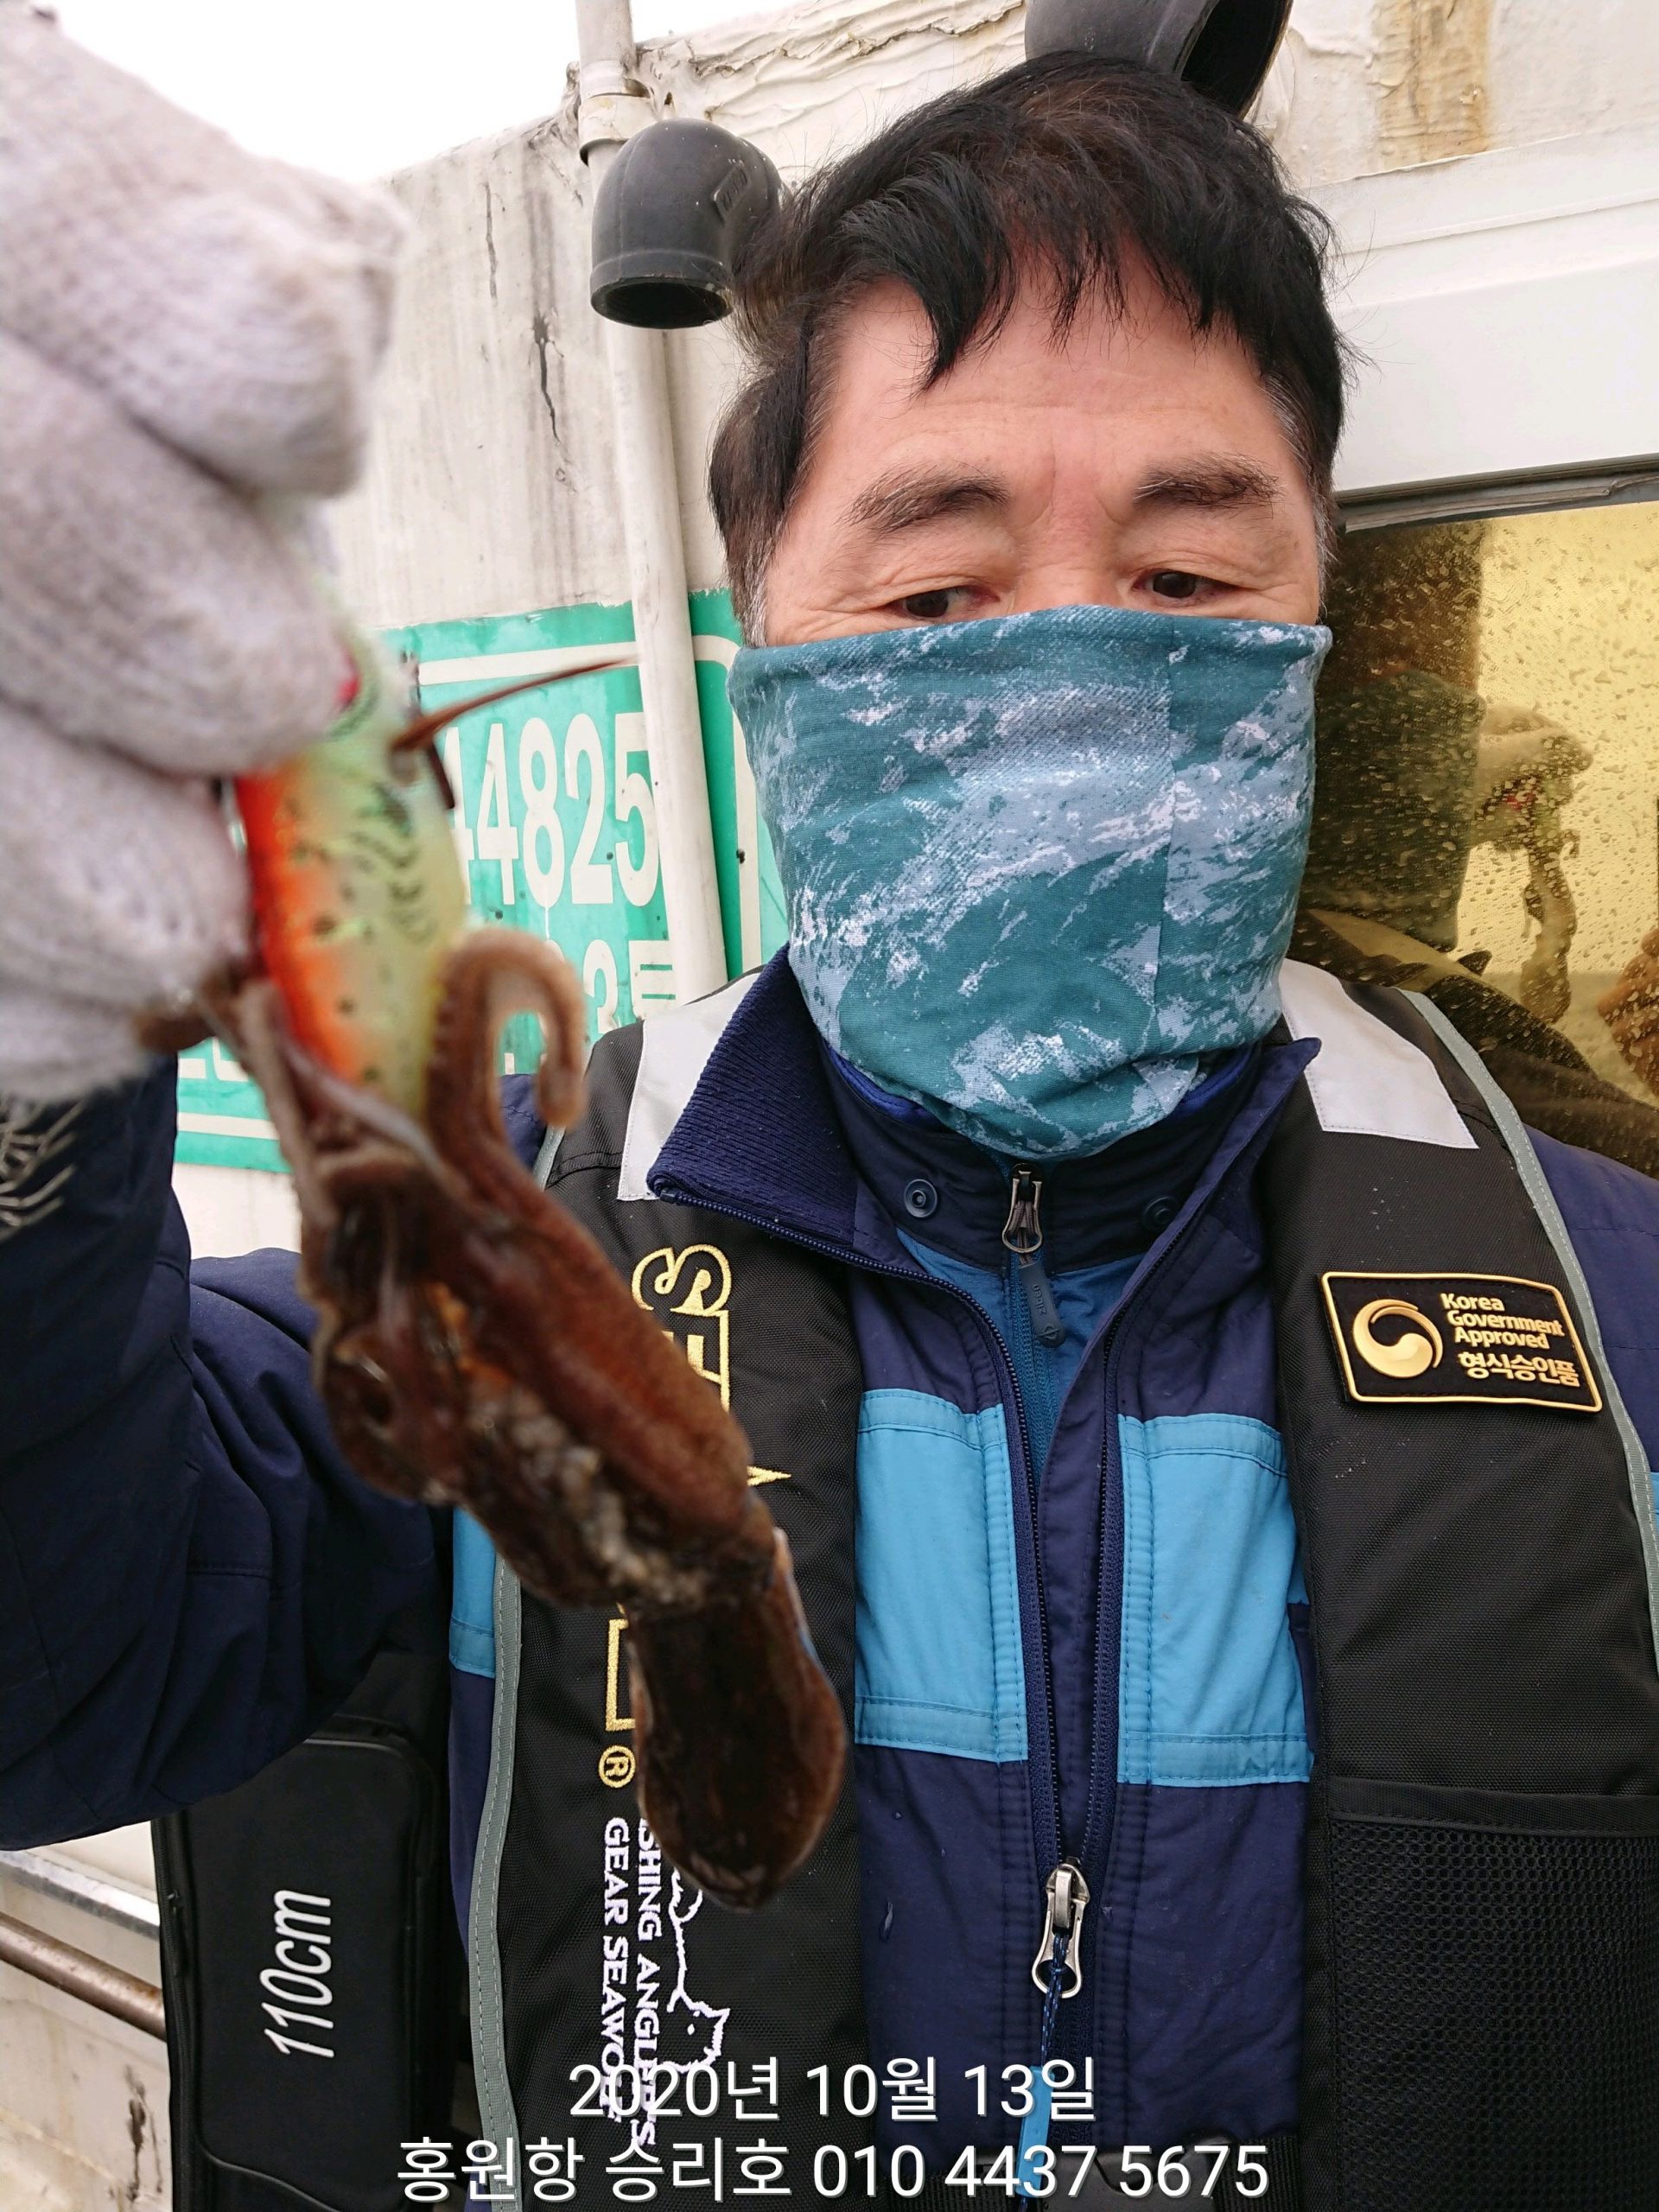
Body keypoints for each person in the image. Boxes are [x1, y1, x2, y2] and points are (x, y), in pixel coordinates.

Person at [3, 13, 1657, 2209]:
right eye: (938, 591)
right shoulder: (488, 1297)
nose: (1070, 671)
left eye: (1186, 582)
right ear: (771, 647)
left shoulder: (1621, 1312)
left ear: (1322, 626)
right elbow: (52, 1656)